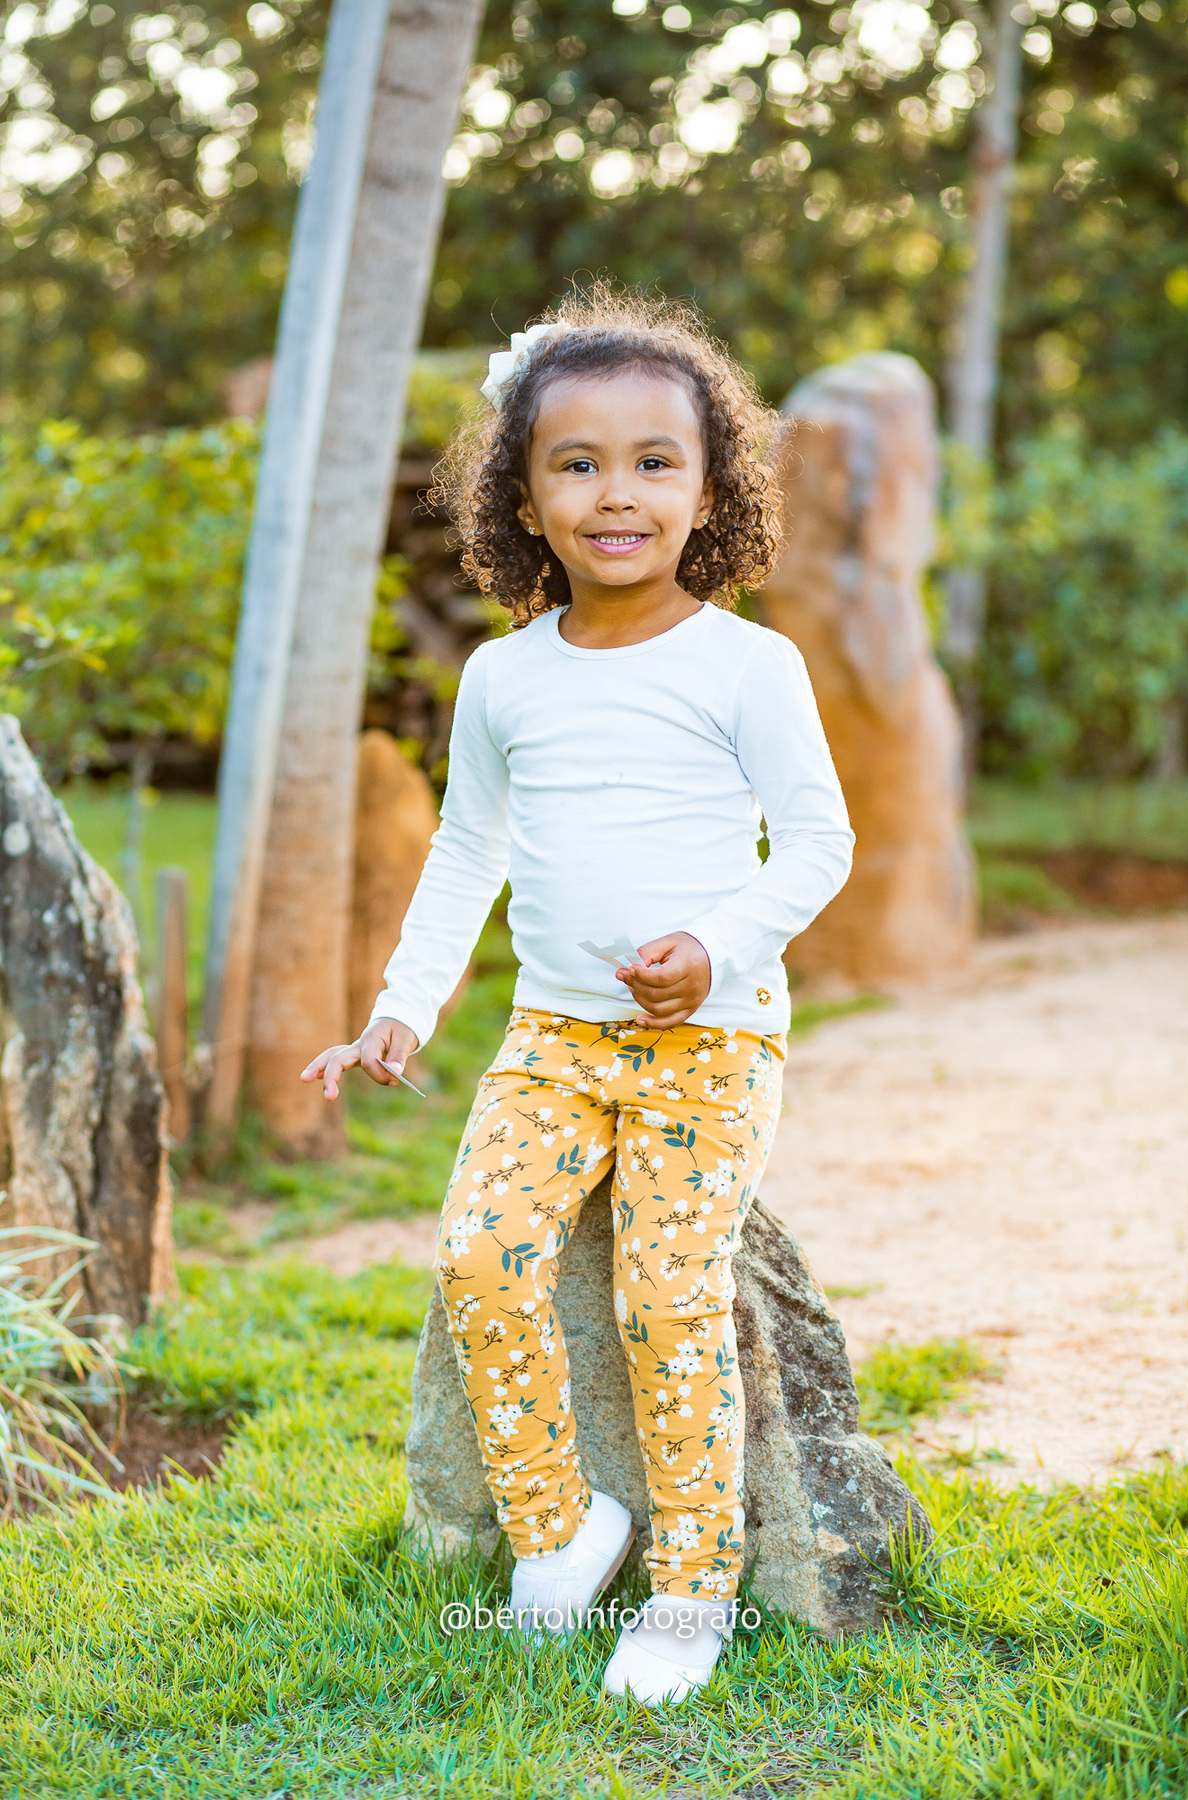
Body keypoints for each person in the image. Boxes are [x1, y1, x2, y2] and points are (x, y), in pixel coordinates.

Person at [301, 288, 854, 1705]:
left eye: (655, 462)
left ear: (709, 490)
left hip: (710, 1040)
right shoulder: (503, 679)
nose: (619, 493)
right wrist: (404, 1005)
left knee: (667, 1298)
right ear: (524, 498)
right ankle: (559, 1528)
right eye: (579, 463)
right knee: (481, 1258)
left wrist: (717, 946)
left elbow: (819, 844)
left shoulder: (748, 664)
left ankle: (693, 1589)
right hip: (549, 1037)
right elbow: (465, 851)